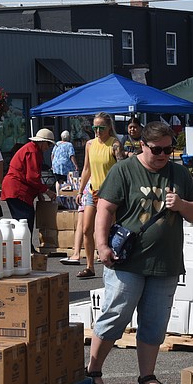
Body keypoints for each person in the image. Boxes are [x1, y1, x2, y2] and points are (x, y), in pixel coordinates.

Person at [86, 121, 193, 384]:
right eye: (157, 149)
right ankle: (93, 372)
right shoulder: (124, 170)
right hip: (127, 261)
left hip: (165, 263)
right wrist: (101, 245)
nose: (163, 155)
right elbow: (104, 209)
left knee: (154, 322)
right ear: (143, 145)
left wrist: (182, 205)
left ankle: (146, 376)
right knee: (115, 316)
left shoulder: (179, 173)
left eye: (168, 149)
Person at [70, 113, 123, 277]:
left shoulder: (114, 144)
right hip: (92, 190)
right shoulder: (89, 144)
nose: (98, 131)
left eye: (101, 128)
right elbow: (86, 169)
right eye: (95, 128)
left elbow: (121, 168)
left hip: (109, 193)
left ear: (109, 128)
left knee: (108, 230)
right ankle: (90, 266)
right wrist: (80, 189)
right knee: (86, 228)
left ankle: (110, 263)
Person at [2, 128, 57, 236]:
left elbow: (33, 176)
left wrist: (39, 192)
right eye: (48, 144)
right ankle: (25, 248)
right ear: (42, 142)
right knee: (24, 220)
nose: (48, 148)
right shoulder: (32, 151)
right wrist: (46, 191)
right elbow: (32, 177)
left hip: (18, 189)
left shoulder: (33, 149)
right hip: (17, 189)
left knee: (27, 219)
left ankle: (27, 248)